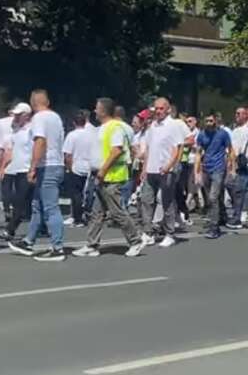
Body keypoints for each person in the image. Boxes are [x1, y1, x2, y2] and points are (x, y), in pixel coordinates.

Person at [48, 97, 150, 258]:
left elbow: (116, 151)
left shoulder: (114, 128)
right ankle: (92, 245)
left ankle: (136, 240)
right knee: (97, 213)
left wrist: (103, 170)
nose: (95, 110)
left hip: (111, 177)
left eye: (97, 108)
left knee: (117, 212)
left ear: (103, 110)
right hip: (101, 176)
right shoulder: (101, 128)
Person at [8, 90, 67, 261]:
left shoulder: (39, 118)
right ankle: (28, 241)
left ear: (33, 103)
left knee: (50, 208)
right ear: (47, 101)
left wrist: (33, 167)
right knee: (37, 205)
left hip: (47, 165)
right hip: (55, 164)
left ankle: (58, 248)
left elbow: (40, 141)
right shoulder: (55, 117)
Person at [139, 97, 187, 248]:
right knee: (146, 200)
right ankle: (148, 233)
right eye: (156, 108)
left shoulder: (173, 125)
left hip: (166, 170)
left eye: (161, 108)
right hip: (151, 169)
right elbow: (148, 148)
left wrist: (169, 166)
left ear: (168, 109)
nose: (158, 111)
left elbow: (177, 148)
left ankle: (169, 233)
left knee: (167, 202)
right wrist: (144, 169)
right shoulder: (152, 125)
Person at [0, 103, 33, 241]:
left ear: (26, 115)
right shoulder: (16, 131)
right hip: (18, 170)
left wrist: (33, 168)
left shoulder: (32, 130)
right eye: (14, 115)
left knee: (20, 201)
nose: (15, 117)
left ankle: (10, 230)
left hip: (28, 169)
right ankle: (42, 228)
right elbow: (9, 152)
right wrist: (2, 167)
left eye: (18, 115)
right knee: (30, 202)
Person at [195, 112, 232, 239]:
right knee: (214, 197)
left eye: (211, 121)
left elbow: (230, 150)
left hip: (218, 168)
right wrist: (197, 172)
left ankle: (214, 227)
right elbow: (198, 153)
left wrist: (231, 167)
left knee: (212, 197)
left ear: (215, 121)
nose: (209, 124)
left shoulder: (222, 134)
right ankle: (223, 216)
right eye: (207, 121)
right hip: (206, 169)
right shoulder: (202, 135)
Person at [62, 110, 95, 228]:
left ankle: (77, 218)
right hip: (90, 167)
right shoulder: (92, 134)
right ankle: (88, 214)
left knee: (76, 194)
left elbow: (68, 155)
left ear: (74, 123)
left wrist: (69, 168)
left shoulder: (72, 135)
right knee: (89, 193)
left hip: (76, 167)